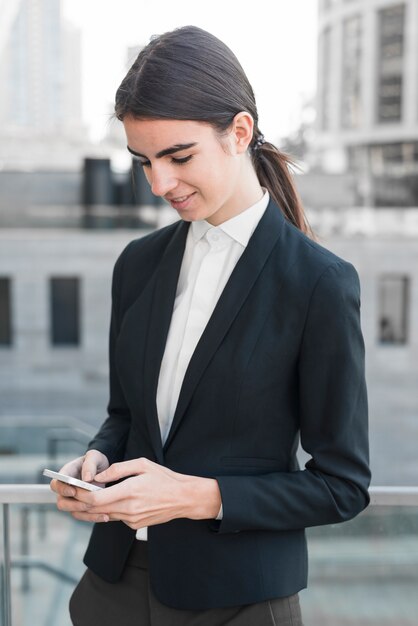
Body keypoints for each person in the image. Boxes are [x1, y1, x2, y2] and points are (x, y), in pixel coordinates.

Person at [51, 25, 371, 626]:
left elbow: (342, 486)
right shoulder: (139, 264)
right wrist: (94, 462)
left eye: (178, 156)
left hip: (238, 601)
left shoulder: (319, 283)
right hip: (112, 589)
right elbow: (126, 417)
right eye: (143, 161)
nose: (159, 184)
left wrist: (198, 495)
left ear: (239, 132)